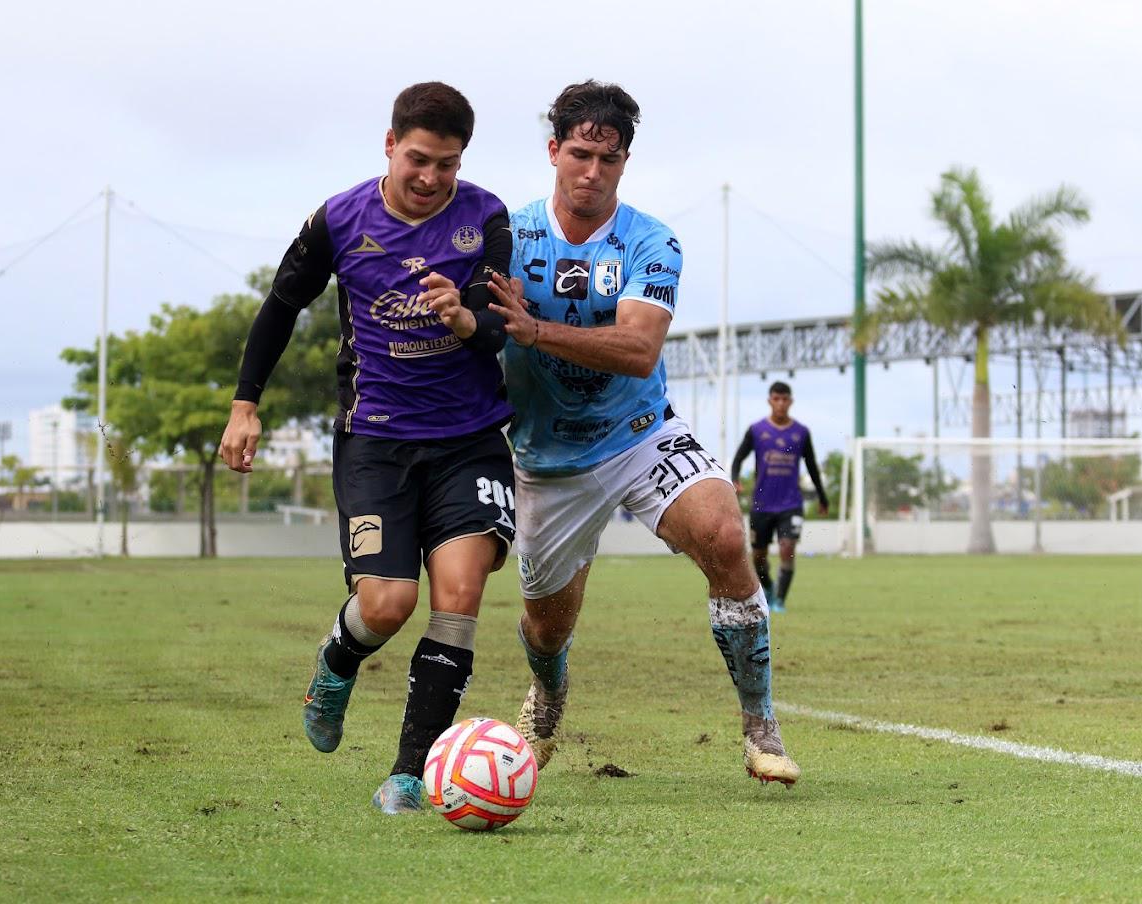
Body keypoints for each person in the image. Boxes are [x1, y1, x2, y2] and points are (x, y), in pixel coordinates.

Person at [486, 80, 800, 785]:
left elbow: (638, 349)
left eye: (609, 159)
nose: (592, 172)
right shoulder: (506, 234)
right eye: (580, 154)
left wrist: (534, 330)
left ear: (625, 162)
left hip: (639, 435)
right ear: (553, 151)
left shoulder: (651, 241)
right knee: (546, 628)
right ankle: (548, 694)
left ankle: (761, 727)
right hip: (547, 460)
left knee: (725, 535)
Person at [219, 82, 517, 814]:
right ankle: (337, 659)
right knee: (386, 605)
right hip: (376, 440)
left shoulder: (487, 217)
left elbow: (499, 325)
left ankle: (411, 773)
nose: (431, 177)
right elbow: (281, 305)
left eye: (447, 164)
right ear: (389, 145)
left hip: (470, 440)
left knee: (458, 595)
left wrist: (466, 320)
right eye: (418, 159)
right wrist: (245, 404)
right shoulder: (339, 218)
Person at [730, 382, 829, 613]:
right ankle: (769, 588)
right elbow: (738, 458)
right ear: (770, 401)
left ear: (790, 402)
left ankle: (780, 601)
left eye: (785, 399)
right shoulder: (757, 430)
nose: (781, 404)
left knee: (787, 548)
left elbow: (812, 466)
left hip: (791, 503)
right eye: (776, 399)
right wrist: (735, 478)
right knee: (759, 556)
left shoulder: (801, 432)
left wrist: (822, 497)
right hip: (762, 504)